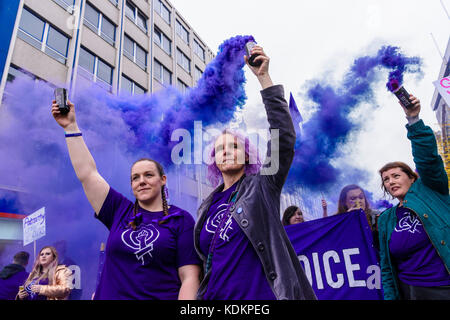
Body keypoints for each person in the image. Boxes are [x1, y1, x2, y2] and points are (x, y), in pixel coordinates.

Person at [193, 44, 316, 300]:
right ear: (213, 161)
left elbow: (283, 138)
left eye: (234, 146)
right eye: (219, 150)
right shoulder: (207, 206)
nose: (226, 151)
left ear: (247, 154)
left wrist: (264, 79)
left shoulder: (263, 186)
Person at [51, 100, 201, 300]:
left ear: (162, 180)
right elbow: (88, 173)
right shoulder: (119, 210)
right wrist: (71, 127)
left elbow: (189, 277)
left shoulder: (181, 219)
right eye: (135, 178)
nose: (142, 181)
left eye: (148, 175)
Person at [377, 94, 450, 300]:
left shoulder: (432, 192)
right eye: (386, 179)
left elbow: (428, 159)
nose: (390, 181)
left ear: (412, 178)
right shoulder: (386, 219)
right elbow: (386, 267)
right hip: (412, 292)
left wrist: (413, 120)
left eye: (396, 175)